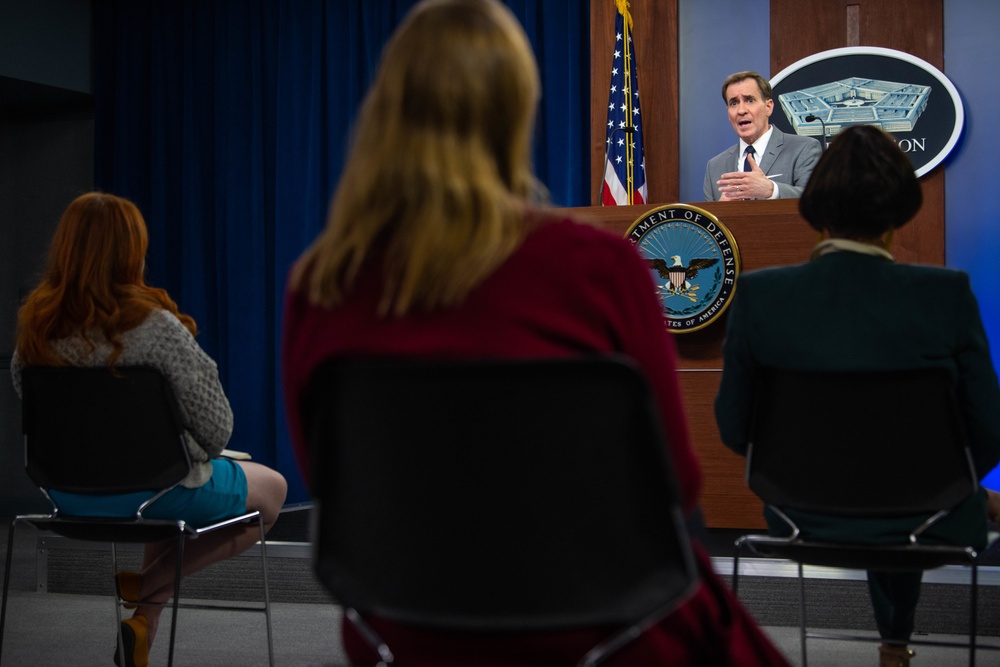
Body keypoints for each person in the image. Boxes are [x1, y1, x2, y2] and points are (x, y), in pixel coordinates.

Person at [281, 1, 789, 665]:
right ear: (516, 111)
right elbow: (676, 479)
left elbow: (328, 474)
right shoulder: (602, 269)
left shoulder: (322, 283)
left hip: (408, 624)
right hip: (607, 624)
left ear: (386, 111)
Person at [714, 125, 1000, 667]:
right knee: (914, 485)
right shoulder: (947, 294)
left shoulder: (760, 296)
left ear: (816, 208)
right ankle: (897, 640)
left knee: (896, 481)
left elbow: (734, 429)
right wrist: (942, 485)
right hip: (931, 514)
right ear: (900, 213)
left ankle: (896, 638)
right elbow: (988, 431)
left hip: (799, 514)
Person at [11, 191, 288, 667]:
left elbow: (39, 412)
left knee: (164, 475)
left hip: (67, 495)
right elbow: (218, 429)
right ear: (131, 252)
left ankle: (143, 627)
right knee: (272, 493)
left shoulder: (36, 329)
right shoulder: (155, 327)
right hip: (155, 491)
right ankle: (150, 584)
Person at [703, 70, 821, 201]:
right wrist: (721, 210)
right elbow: (708, 219)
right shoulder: (714, 167)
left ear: (768, 107)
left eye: (750, 100)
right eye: (734, 103)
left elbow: (816, 201)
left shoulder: (803, 149)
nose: (741, 110)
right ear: (728, 113)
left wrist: (771, 190)